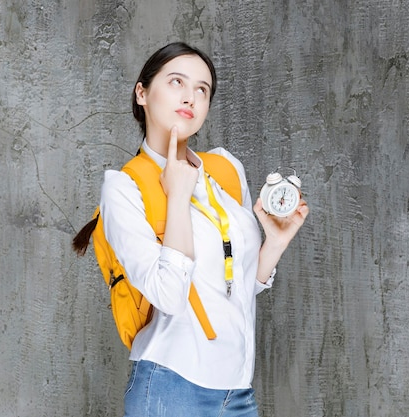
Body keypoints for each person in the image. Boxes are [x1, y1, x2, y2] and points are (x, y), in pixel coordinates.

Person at [99, 42, 309, 417]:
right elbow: (169, 297)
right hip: (170, 388)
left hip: (237, 391)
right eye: (176, 81)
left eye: (202, 89)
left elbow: (233, 286)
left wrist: (274, 244)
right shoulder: (125, 186)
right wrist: (177, 197)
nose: (190, 96)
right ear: (142, 92)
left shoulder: (226, 169)